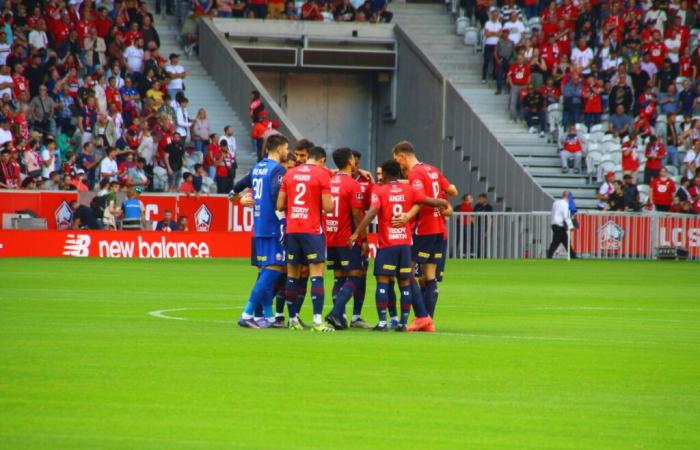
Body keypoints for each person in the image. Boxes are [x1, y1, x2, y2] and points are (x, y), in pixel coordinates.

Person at [350, 160, 448, 332]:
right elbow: (427, 201)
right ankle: (403, 323)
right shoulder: (409, 190)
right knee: (404, 282)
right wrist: (441, 203)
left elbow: (371, 213)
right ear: (399, 174)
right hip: (405, 245)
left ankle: (382, 322)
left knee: (382, 280)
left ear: (386, 174)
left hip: (388, 244)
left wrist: (357, 232)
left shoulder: (380, 191)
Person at [392, 141, 457, 322]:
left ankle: (421, 316)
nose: (398, 164)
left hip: (424, 228)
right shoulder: (431, 170)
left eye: (397, 160)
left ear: (403, 156)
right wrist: (444, 204)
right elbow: (452, 190)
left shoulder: (416, 174)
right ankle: (428, 319)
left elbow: (419, 200)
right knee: (429, 276)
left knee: (407, 271)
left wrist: (406, 217)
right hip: (439, 229)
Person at [277, 145, 334, 332]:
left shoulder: (290, 174)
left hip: (292, 229)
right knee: (316, 275)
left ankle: (292, 319)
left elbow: (279, 205)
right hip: (312, 229)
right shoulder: (322, 175)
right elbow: (328, 207)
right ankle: (317, 321)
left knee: (292, 275)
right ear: (322, 161)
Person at [237, 135, 289, 329]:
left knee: (266, 270)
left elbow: (235, 189)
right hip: (272, 227)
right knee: (274, 269)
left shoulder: (258, 167)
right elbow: (277, 198)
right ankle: (247, 313)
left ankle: (268, 316)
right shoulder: (278, 170)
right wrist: (283, 221)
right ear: (279, 149)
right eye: (286, 148)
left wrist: (238, 199)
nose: (287, 152)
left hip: (258, 226)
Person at [323, 148, 366, 330]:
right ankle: (335, 312)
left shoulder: (329, 181)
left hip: (330, 237)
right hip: (347, 238)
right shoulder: (353, 185)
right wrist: (363, 238)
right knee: (355, 274)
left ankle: (339, 318)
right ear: (350, 161)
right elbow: (357, 213)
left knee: (338, 277)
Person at [546, 191, 576, 259]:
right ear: (568, 197)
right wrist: (571, 226)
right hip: (559, 224)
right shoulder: (565, 204)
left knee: (564, 240)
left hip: (554, 223)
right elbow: (566, 216)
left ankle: (573, 256)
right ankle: (549, 255)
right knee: (557, 242)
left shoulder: (556, 202)